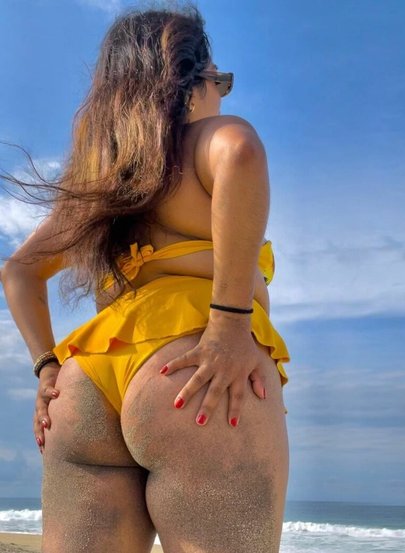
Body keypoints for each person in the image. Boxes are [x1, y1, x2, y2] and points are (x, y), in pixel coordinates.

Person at [0, 3, 290, 552]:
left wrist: (46, 368)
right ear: (190, 81)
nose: (223, 96)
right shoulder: (203, 141)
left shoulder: (102, 186)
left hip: (86, 384)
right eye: (221, 81)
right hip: (192, 366)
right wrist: (230, 324)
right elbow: (242, 152)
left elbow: (18, 271)